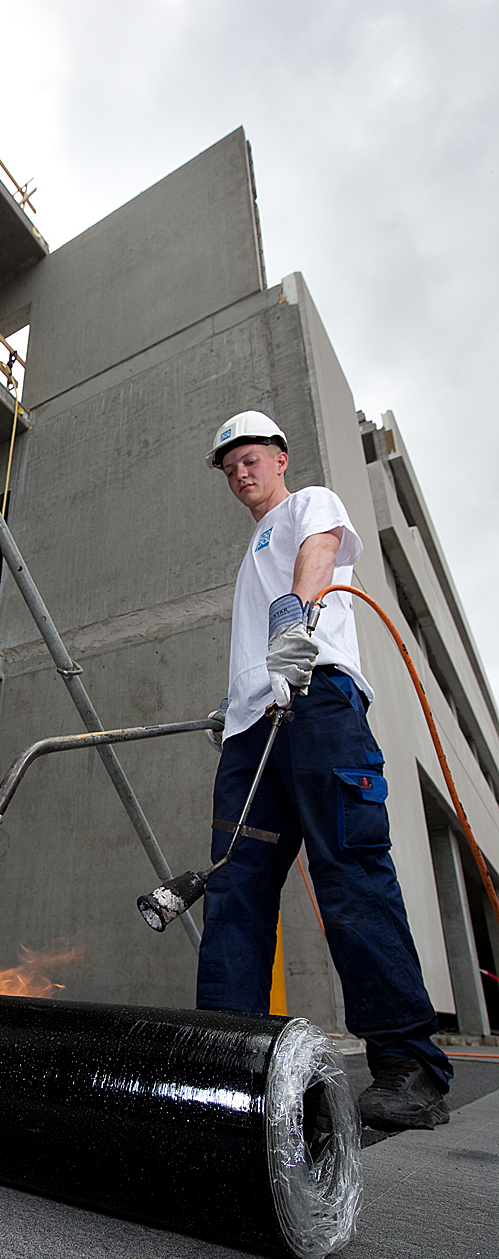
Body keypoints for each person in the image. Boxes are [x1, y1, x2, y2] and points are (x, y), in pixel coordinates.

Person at [196, 409, 452, 1130]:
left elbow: (317, 552)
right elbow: (257, 639)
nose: (239, 472)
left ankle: (408, 1066)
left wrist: (293, 621)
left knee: (349, 869)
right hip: (253, 730)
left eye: (249, 457)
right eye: (228, 466)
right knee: (234, 885)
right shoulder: (250, 551)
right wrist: (234, 699)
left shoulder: (310, 503)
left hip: (319, 703)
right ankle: (224, 1058)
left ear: (279, 457)